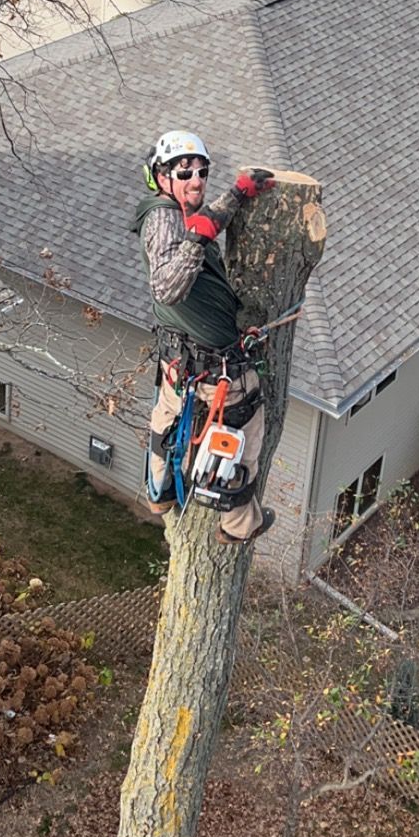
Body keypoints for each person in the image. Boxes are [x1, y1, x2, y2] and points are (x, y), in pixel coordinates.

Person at [132, 129, 275, 542]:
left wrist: (238, 194)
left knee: (166, 422)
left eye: (202, 171)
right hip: (219, 373)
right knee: (247, 425)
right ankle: (238, 525)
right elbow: (167, 287)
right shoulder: (162, 217)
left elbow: (206, 220)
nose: (196, 180)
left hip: (181, 363)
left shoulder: (176, 214)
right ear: (161, 176)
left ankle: (159, 496)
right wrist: (201, 236)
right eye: (184, 172)